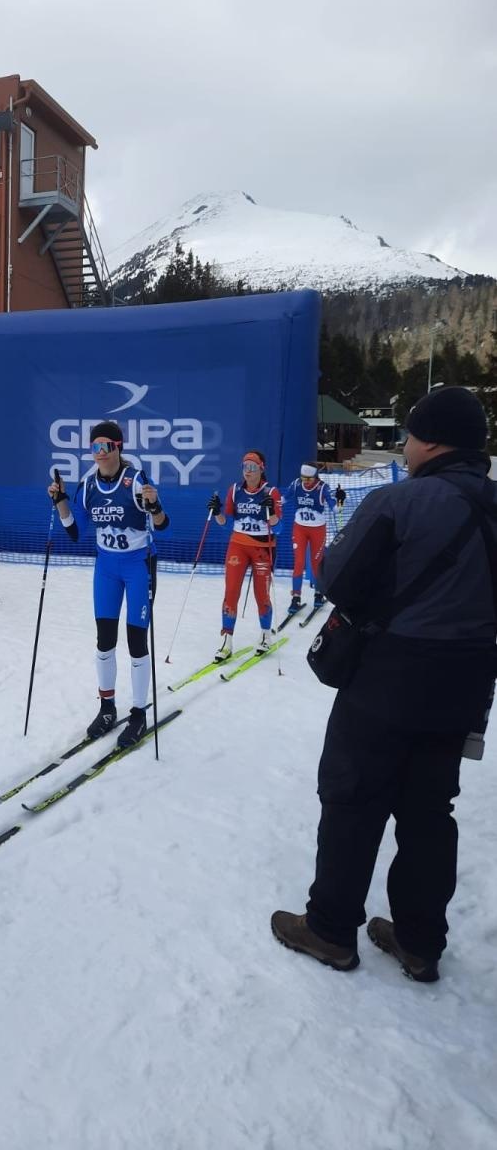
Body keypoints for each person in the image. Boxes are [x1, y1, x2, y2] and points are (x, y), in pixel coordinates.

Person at [272, 387, 497, 981]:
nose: (404, 444)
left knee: (352, 799)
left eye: (411, 434)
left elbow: (337, 577)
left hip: (389, 677)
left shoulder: (402, 501)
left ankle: (329, 930)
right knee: (429, 810)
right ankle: (421, 941)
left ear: (433, 440)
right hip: (467, 683)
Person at [47, 420, 169, 749]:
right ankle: (106, 708)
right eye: (95, 447)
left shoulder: (135, 480)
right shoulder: (87, 485)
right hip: (106, 567)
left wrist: (155, 506)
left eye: (106, 447)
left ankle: (139, 713)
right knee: (104, 641)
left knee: (136, 641)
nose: (100, 453)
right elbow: (75, 532)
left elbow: (162, 523)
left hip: (138, 565)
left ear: (118, 447)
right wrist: (60, 502)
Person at [207, 449, 282, 661]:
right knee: (231, 591)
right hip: (238, 545)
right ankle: (226, 641)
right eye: (245, 467)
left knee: (261, 594)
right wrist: (217, 512)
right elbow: (224, 523)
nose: (247, 471)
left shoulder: (272, 492)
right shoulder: (234, 490)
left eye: (252, 467)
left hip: (262, 547)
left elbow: (279, 528)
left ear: (261, 469)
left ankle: (266, 635)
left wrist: (273, 513)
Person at [281, 464, 337, 614]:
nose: (306, 481)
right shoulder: (296, 484)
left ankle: (318, 595)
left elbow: (336, 508)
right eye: (303, 478)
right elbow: (282, 499)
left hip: (317, 530)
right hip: (300, 528)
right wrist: (270, 501)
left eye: (309, 478)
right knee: (298, 563)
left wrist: (339, 500)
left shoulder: (322, 487)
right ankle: (295, 598)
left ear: (315, 476)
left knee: (316, 563)